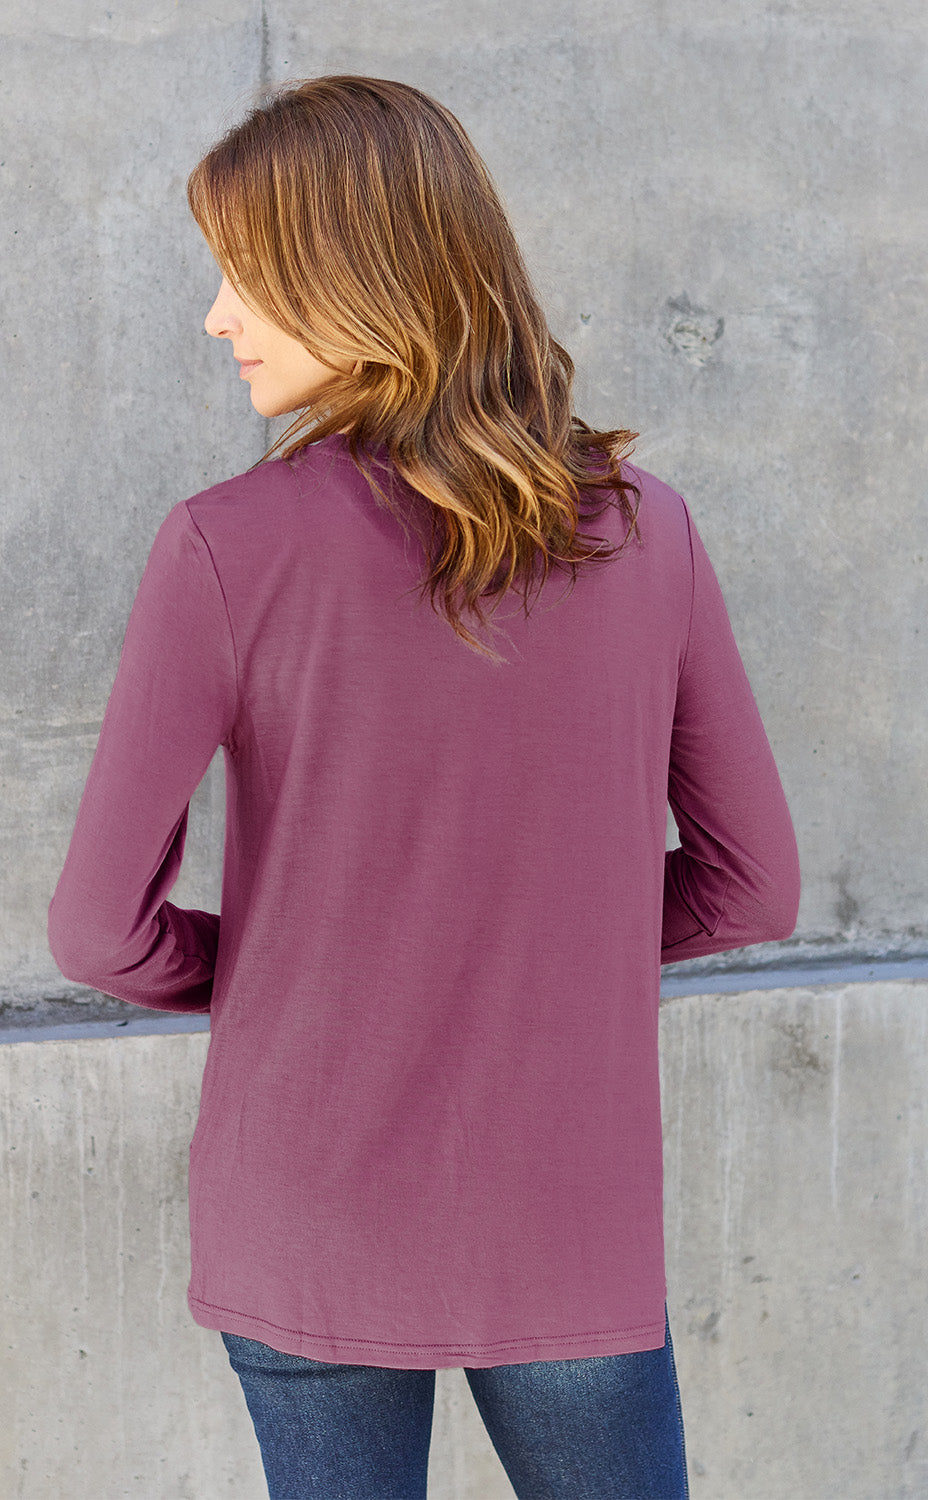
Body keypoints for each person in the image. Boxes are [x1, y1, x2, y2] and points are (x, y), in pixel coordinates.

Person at [48, 74, 801, 1500]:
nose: (216, 315)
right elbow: (754, 885)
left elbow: (97, 930)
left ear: (357, 276)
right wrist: (542, 952)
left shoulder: (224, 548)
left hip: (309, 1206)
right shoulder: (647, 535)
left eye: (246, 274)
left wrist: (279, 964)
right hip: (563, 1214)